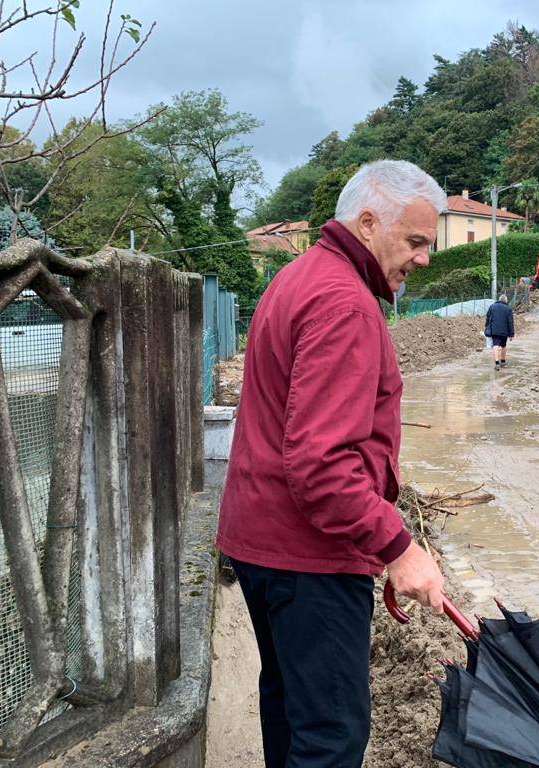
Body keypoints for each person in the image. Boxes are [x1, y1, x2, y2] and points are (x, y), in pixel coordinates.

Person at [215, 160, 447, 768]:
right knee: (331, 733)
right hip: (309, 554)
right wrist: (397, 546)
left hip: (262, 541)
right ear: (368, 223)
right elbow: (321, 463)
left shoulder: (298, 276)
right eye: (416, 241)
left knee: (291, 707)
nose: (424, 258)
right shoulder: (343, 302)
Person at [484, 294, 515, 369]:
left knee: (495, 345)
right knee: (503, 346)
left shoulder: (492, 306)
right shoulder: (508, 309)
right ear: (506, 301)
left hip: (494, 330)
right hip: (504, 331)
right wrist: (511, 334)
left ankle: (497, 363)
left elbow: (488, 318)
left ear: (499, 299)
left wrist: (486, 327)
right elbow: (510, 322)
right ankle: (503, 362)